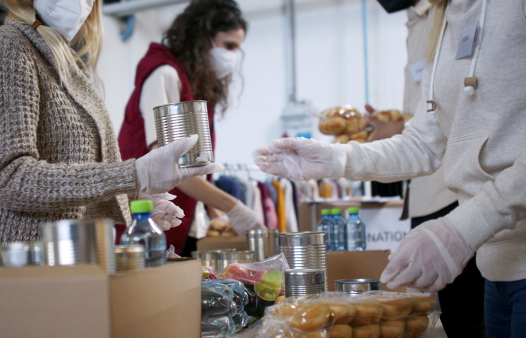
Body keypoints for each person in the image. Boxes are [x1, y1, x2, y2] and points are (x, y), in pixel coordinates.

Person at [254, 0, 526, 335]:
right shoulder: (444, 17)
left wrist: (466, 226)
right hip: (496, 272)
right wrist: (337, 158)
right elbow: (424, 142)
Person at [0, 0, 221, 243]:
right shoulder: (8, 48)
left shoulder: (72, 66)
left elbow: (71, 188)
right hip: (17, 258)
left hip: (71, 254)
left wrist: (134, 199)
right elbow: (10, 180)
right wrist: (134, 174)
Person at [366, 0, 486, 336]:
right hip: (427, 192)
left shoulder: (465, 12)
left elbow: (466, 112)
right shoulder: (420, 18)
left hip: (456, 194)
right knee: (453, 316)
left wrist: (400, 130)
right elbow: (429, 120)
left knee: (471, 316)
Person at [118, 0, 265, 256]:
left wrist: (214, 213)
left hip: (179, 221)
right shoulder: (164, 74)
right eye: (228, 45)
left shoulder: (191, 81)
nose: (231, 57)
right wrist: (235, 208)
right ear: (201, 38)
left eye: (236, 49)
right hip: (148, 226)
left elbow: (194, 166)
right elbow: (169, 166)